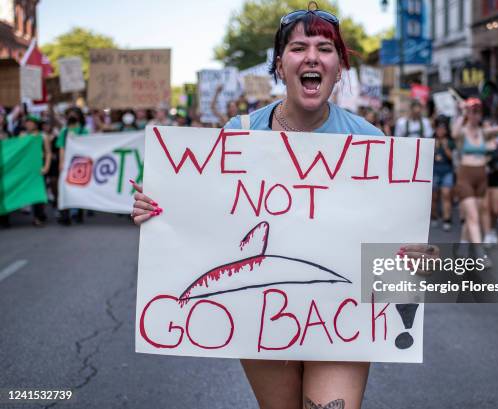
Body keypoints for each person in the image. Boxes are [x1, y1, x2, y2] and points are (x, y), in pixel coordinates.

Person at [130, 5, 430, 409]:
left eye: (325, 48)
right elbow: (207, 219)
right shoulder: (239, 135)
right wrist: (161, 208)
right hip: (261, 313)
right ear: (279, 63)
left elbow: (396, 237)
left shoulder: (371, 141)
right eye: (298, 47)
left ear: (339, 67)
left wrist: (416, 254)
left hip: (343, 316)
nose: (311, 57)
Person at [452, 97, 498, 246]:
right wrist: (462, 112)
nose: (475, 115)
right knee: (472, 216)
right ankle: (480, 255)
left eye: (478, 112)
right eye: (472, 112)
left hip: (482, 176)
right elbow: (454, 133)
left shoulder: (484, 132)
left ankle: (463, 243)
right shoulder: (463, 132)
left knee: (474, 215)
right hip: (465, 176)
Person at [56, 107, 89, 225]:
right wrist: (61, 162)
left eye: (74, 114)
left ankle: (78, 213)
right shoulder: (64, 131)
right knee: (65, 188)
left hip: (79, 164)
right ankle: (65, 214)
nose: (72, 116)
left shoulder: (84, 130)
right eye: (70, 114)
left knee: (79, 187)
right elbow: (61, 147)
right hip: (67, 164)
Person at [20, 115, 51, 226]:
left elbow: (48, 152)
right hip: (28, 167)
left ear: (35, 124)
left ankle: (39, 216)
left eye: (30, 122)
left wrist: (46, 167)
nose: (28, 124)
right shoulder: (23, 136)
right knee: (32, 191)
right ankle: (39, 214)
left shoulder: (43, 136)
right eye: (26, 122)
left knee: (39, 191)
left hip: (39, 166)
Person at [431, 115, 454, 231]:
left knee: (446, 195)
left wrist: (445, 148)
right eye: (438, 129)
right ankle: (434, 217)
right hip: (434, 171)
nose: (440, 131)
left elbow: (452, 158)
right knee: (434, 196)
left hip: (447, 171)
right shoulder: (431, 141)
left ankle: (447, 219)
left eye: (443, 129)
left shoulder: (449, 142)